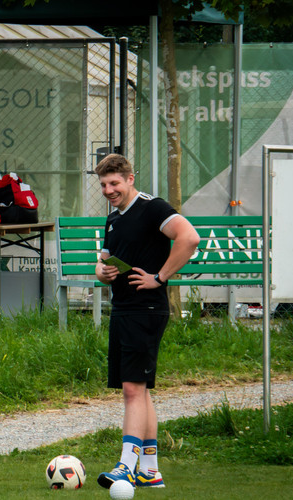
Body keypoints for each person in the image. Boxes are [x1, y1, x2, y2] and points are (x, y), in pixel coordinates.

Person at [93, 154, 200, 490]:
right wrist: (103, 272)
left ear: (130, 178)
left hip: (146, 309)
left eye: (114, 183)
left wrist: (159, 277)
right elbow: (103, 261)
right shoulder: (113, 218)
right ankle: (150, 471)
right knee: (139, 389)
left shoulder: (153, 208)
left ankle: (125, 466)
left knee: (132, 390)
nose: (108, 190)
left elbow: (189, 238)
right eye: (103, 185)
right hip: (123, 308)